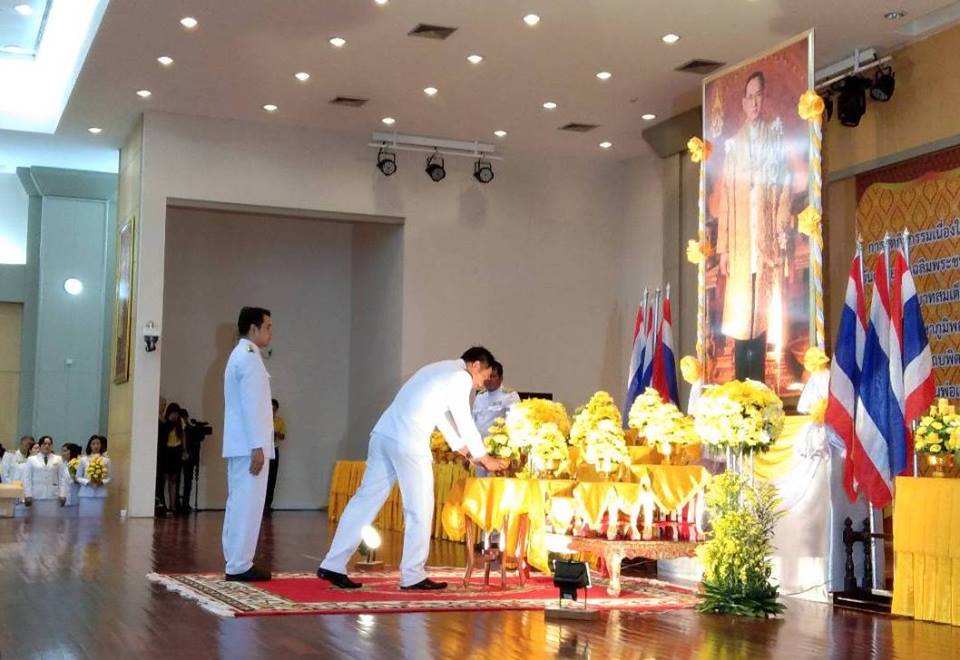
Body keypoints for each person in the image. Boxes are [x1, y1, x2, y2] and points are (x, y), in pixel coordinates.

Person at [318, 347, 509, 591]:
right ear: (475, 365)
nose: (480, 384)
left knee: (364, 500)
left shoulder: (437, 369)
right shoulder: (460, 376)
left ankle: (332, 564)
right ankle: (412, 575)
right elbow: (463, 418)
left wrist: (466, 451)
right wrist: (484, 457)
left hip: (383, 436)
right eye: (483, 377)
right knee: (419, 508)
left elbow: (440, 417)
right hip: (408, 442)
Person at [715, 70, 793, 382]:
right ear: (744, 102)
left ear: (764, 98)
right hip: (740, 243)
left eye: (759, 95)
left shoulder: (775, 138)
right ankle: (740, 387)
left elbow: (785, 182)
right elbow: (726, 199)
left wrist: (781, 222)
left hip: (766, 240)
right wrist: (723, 249)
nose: (755, 102)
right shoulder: (734, 145)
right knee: (740, 315)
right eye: (750, 96)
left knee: (760, 314)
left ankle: (758, 386)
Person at [221, 306, 275, 582]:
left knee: (239, 502)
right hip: (249, 445)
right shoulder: (250, 357)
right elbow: (253, 405)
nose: (270, 332)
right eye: (267, 327)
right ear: (253, 328)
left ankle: (235, 560)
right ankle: (240, 564)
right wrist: (257, 446)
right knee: (248, 504)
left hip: (241, 444)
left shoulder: (239, 354)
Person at [22, 436, 69, 508]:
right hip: (36, 495)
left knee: (53, 515)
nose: (47, 446)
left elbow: (62, 478)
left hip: (53, 495)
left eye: (49, 444)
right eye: (44, 444)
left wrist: (62, 494)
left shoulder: (58, 459)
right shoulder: (31, 459)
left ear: (52, 446)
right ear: (40, 446)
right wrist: (28, 494)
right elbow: (27, 478)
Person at [160, 403, 186, 515]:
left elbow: (183, 437)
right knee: (164, 478)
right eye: (173, 413)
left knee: (174, 479)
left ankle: (173, 505)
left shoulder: (180, 422)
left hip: (176, 451)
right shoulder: (165, 422)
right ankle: (163, 503)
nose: (175, 415)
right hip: (167, 451)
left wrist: (184, 450)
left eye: (177, 413)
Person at [77, 435, 111, 517]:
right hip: (85, 493)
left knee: (98, 517)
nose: (96, 446)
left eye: (98, 443)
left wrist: (102, 482)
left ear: (101, 445)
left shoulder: (106, 460)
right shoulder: (83, 459)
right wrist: (88, 482)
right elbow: (78, 476)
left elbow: (110, 477)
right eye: (93, 444)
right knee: (85, 518)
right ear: (90, 445)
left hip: (100, 493)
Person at [264, 399, 286, 514]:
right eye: (270, 408)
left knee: (272, 478)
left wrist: (277, 434)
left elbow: (283, 436)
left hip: (274, 449)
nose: (272, 411)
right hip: (263, 451)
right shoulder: (262, 420)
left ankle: (268, 504)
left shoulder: (279, 421)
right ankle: (260, 504)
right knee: (262, 478)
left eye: (274, 409)